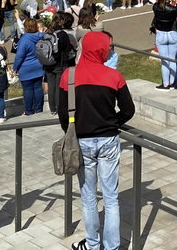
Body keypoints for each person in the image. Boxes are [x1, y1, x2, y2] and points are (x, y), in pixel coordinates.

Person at [57, 31, 136, 250]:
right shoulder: (114, 76)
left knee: (89, 197)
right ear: (101, 50)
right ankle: (112, 246)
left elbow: (62, 114)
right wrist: (113, 122)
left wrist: (72, 131)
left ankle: (92, 244)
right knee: (111, 198)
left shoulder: (68, 75)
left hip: (81, 141)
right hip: (109, 139)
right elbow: (128, 110)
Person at [151, 0, 177, 91]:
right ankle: (172, 83)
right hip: (172, 34)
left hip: (161, 34)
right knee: (172, 59)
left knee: (164, 61)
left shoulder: (155, 7)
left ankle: (165, 84)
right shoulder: (172, 9)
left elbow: (161, 8)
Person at [14, 19, 46, 116]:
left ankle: (28, 110)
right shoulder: (41, 36)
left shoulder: (24, 39)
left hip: (26, 68)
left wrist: (15, 68)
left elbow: (19, 56)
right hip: (39, 65)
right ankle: (39, 108)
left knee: (28, 90)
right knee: (38, 88)